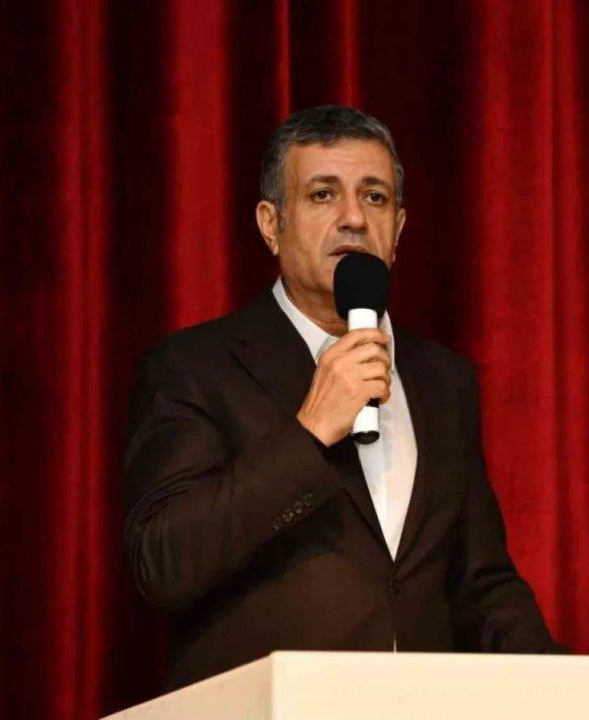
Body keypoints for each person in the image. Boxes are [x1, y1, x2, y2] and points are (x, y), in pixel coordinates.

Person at [122, 105, 564, 689]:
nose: (354, 218)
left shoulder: (443, 380)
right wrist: (308, 432)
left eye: (374, 197)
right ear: (270, 224)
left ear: (398, 229)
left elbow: (480, 583)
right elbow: (163, 564)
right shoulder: (194, 367)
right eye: (323, 195)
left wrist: (569, 688)